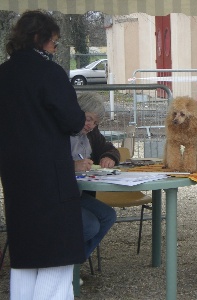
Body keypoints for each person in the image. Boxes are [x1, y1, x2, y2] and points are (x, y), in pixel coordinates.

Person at [0, 10, 86, 299]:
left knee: (24, 259)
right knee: (56, 259)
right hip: (50, 177)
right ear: (39, 39)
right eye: (53, 43)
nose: (55, 48)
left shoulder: (3, 73)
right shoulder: (49, 72)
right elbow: (73, 121)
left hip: (14, 175)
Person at [72, 92, 118, 261]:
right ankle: (63, 265)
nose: (90, 125)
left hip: (77, 193)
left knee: (108, 215)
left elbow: (108, 148)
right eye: (88, 118)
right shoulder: (59, 131)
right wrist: (72, 166)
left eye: (95, 122)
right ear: (76, 112)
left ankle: (73, 263)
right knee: (90, 225)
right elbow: (46, 163)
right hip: (56, 195)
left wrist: (110, 157)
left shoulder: (91, 133)